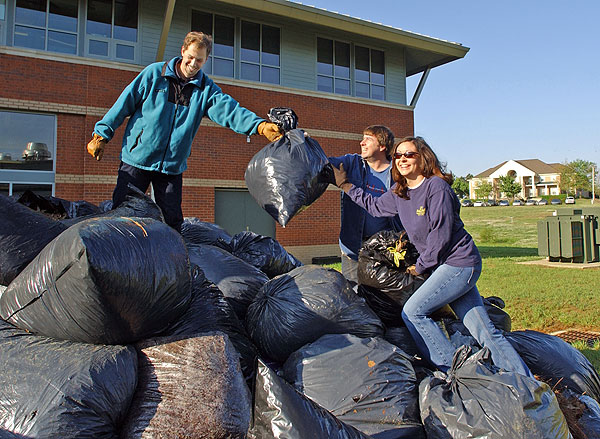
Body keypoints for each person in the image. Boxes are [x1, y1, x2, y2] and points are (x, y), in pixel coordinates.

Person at [332, 136, 532, 377]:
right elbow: (375, 207)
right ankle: (525, 381)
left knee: (414, 312)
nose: (402, 159)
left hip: (459, 263)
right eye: (398, 155)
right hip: (443, 266)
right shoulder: (400, 191)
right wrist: (346, 187)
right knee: (483, 329)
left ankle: (453, 373)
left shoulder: (436, 187)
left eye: (409, 154)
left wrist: (420, 267)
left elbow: (441, 234)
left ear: (423, 157)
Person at [86, 31, 282, 232]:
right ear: (182, 52)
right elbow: (124, 103)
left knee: (172, 222)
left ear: (206, 60)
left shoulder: (205, 89)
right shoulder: (155, 75)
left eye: (199, 60)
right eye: (190, 57)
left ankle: (171, 260)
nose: (193, 64)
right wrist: (101, 134)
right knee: (123, 215)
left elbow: (230, 110)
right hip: (137, 159)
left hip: (171, 166)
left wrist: (259, 126)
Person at [327, 125, 402, 283]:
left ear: (382, 146)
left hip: (386, 251)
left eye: (368, 139)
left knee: (384, 299)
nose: (362, 143)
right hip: (353, 248)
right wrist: (302, 142)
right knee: (354, 297)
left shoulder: (398, 173)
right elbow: (322, 163)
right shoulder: (352, 163)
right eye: (362, 139)